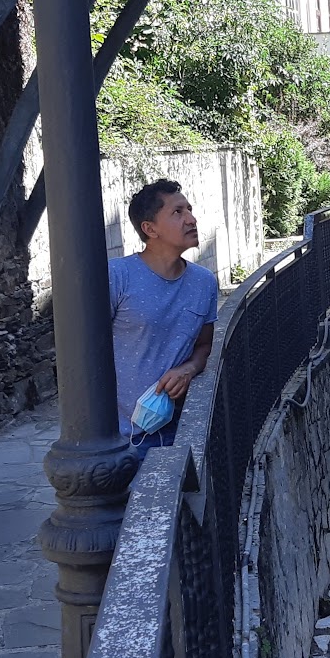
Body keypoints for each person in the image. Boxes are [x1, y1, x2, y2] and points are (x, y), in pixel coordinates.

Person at [109, 178, 218, 454]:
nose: (191, 219)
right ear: (150, 228)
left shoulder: (204, 282)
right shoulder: (117, 275)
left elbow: (204, 346)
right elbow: (85, 350)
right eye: (178, 212)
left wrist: (189, 369)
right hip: (119, 440)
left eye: (189, 210)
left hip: (179, 433)